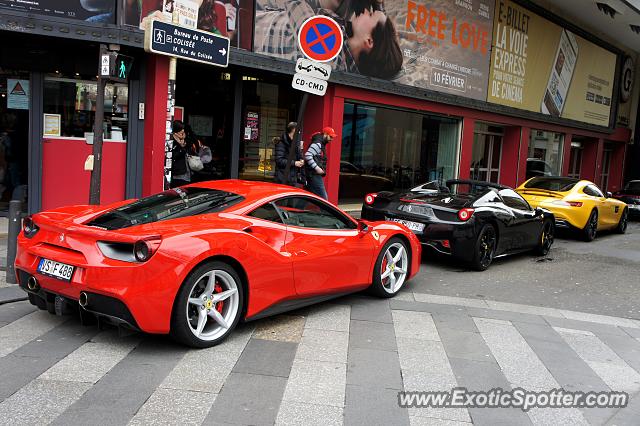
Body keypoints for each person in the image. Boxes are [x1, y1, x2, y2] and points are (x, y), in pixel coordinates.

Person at [254, 0, 402, 79]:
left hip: (245, 31)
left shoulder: (330, 54)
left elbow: (295, 4)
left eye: (370, 15)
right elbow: (382, 25)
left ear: (369, 41)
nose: (365, 11)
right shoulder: (342, 53)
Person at [304, 126, 337, 199]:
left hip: (311, 174)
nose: (332, 139)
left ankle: (296, 210)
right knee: (324, 199)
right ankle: (325, 211)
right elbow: (308, 155)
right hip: (314, 174)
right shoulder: (318, 144)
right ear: (325, 134)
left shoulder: (320, 143)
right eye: (330, 137)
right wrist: (317, 168)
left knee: (307, 196)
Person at [170, 120, 190, 188]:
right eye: (181, 129)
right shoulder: (172, 140)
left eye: (183, 128)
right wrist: (181, 148)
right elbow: (174, 155)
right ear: (176, 129)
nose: (183, 130)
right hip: (178, 171)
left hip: (186, 169)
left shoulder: (184, 139)